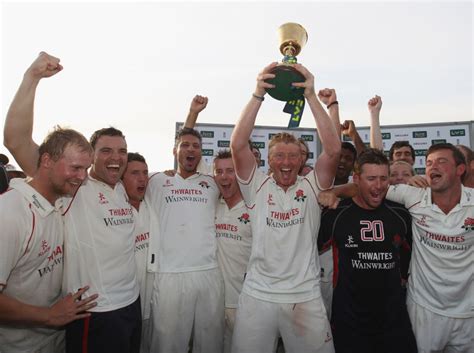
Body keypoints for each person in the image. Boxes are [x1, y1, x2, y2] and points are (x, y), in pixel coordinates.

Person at [4, 51, 141, 353]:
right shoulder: (75, 187)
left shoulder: (120, 189)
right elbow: (16, 140)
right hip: (98, 313)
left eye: (122, 151)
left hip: (132, 304)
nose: (115, 157)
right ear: (92, 157)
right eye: (106, 151)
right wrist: (32, 78)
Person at [230, 62, 340, 353]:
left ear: (303, 161)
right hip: (258, 295)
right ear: (268, 160)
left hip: (304, 295)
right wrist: (257, 95)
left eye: (294, 156)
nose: (287, 163)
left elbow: (333, 150)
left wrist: (311, 97)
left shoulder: (312, 186)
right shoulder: (255, 186)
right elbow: (238, 145)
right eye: (279, 156)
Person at [0, 126, 98, 353]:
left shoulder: (61, 201)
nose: (82, 177)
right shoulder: (10, 213)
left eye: (86, 169)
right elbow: (15, 137)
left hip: (54, 342)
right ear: (46, 161)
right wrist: (48, 316)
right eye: (75, 168)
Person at [318, 148, 417, 353]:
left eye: (383, 178)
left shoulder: (401, 215)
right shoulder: (336, 215)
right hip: (349, 321)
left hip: (394, 320)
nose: (378, 186)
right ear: (357, 179)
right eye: (371, 178)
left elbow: (411, 256)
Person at [146, 95, 224, 353]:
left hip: (208, 273)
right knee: (168, 345)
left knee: (210, 343)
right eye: (185, 146)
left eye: (196, 147)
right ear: (174, 151)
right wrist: (192, 112)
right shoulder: (157, 181)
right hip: (169, 275)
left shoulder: (212, 183)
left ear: (202, 153)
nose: (191, 150)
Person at [386, 143, 473, 353]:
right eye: (429, 163)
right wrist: (330, 193)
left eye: (442, 161)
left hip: (468, 313)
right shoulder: (414, 196)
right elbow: (367, 186)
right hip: (424, 309)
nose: (433, 167)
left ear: (460, 170)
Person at [213, 150, 252, 353]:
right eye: (219, 171)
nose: (224, 176)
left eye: (230, 170)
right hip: (214, 304)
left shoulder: (254, 207)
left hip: (245, 303)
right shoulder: (211, 205)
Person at [122, 152, 154, 353]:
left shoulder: (152, 203)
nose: (142, 179)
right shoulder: (115, 207)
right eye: (135, 173)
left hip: (152, 300)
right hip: (125, 302)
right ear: (121, 177)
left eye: (145, 173)